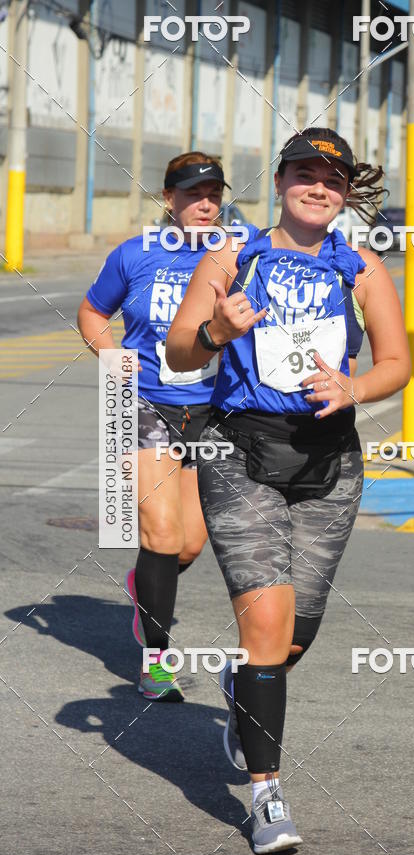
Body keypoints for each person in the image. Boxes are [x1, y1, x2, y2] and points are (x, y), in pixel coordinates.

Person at [166, 127, 410, 853]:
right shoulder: (232, 256)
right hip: (239, 452)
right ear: (278, 182)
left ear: (343, 194)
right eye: (303, 173)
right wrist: (214, 327)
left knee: (295, 634)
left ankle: (243, 687)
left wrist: (355, 385)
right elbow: (180, 353)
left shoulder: (360, 267)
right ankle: (268, 796)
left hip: (330, 461)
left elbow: (397, 361)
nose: (317, 187)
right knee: (266, 628)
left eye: (331, 180)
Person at [78, 152, 233, 701]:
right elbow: (93, 313)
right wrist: (115, 360)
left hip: (214, 412)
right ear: (169, 200)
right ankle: (156, 662)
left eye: (213, 193)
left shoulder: (239, 250)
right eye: (193, 194)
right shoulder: (136, 254)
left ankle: (144, 587)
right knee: (161, 536)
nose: (205, 204)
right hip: (144, 403)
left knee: (188, 545)